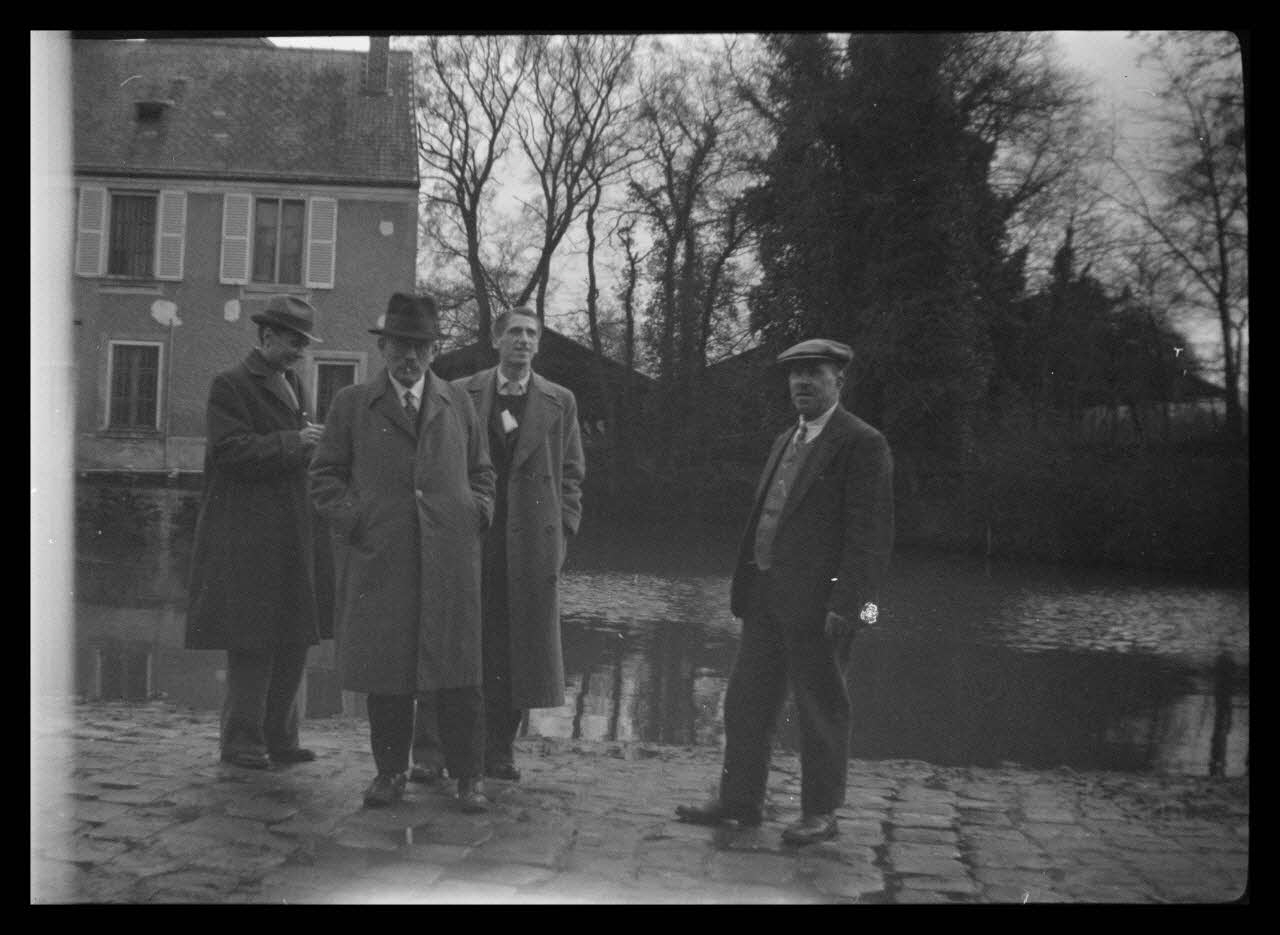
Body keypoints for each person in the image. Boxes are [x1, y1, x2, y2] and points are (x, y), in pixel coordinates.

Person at [675, 338, 893, 846]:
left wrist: (850, 603)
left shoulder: (863, 442)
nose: (801, 383)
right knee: (745, 701)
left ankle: (821, 812)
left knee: (821, 707)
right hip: (765, 599)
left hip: (823, 608)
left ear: (840, 380)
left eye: (814, 373)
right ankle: (740, 802)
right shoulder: (784, 440)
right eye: (794, 374)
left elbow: (872, 536)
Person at [310, 293, 496, 812]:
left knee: (460, 673)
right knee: (387, 672)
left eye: (419, 346)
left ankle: (468, 779)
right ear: (384, 347)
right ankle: (389, 773)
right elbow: (324, 476)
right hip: (384, 558)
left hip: (451, 559)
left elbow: (483, 471)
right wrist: (357, 519)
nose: (409, 357)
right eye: (399, 345)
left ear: (432, 351)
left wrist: (476, 512)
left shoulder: (458, 402)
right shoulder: (352, 403)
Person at [411, 306, 584, 784]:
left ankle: (498, 751)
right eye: (514, 333)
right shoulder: (461, 392)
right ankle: (431, 750)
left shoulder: (559, 400)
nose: (523, 342)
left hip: (529, 543)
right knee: (451, 641)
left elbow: (571, 473)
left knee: (514, 648)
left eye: (531, 334)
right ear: (496, 339)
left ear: (539, 344)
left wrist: (564, 528)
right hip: (469, 536)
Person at [186, 294, 328, 770]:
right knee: (252, 640)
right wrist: (295, 442)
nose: (299, 351)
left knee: (292, 636)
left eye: (304, 343)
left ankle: (280, 737)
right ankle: (242, 742)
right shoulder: (229, 385)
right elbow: (229, 451)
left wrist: (308, 446)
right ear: (266, 337)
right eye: (293, 341)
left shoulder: (294, 384)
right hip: (246, 536)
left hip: (291, 531)